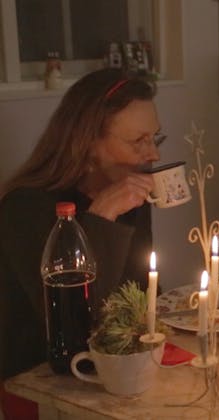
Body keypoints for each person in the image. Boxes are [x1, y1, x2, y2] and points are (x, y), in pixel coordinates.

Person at [0, 69, 161, 398]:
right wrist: (100, 217)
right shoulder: (25, 207)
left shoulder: (130, 196)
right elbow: (74, 326)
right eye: (138, 141)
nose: (154, 155)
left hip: (119, 370)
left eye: (155, 138)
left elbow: (141, 297)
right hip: (43, 382)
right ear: (87, 144)